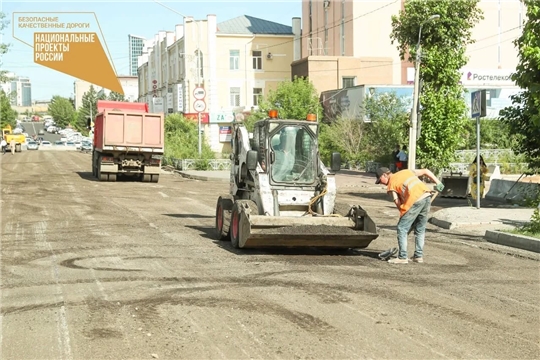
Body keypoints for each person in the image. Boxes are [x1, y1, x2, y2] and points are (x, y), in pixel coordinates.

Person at [375, 166, 445, 264]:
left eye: (380, 180)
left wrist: (404, 217)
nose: (380, 183)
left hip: (415, 200)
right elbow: (425, 171)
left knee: (402, 228)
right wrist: (438, 182)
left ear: (384, 175)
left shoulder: (391, 185)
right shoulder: (405, 171)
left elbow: (398, 203)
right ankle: (418, 256)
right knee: (420, 229)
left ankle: (402, 257)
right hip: (426, 196)